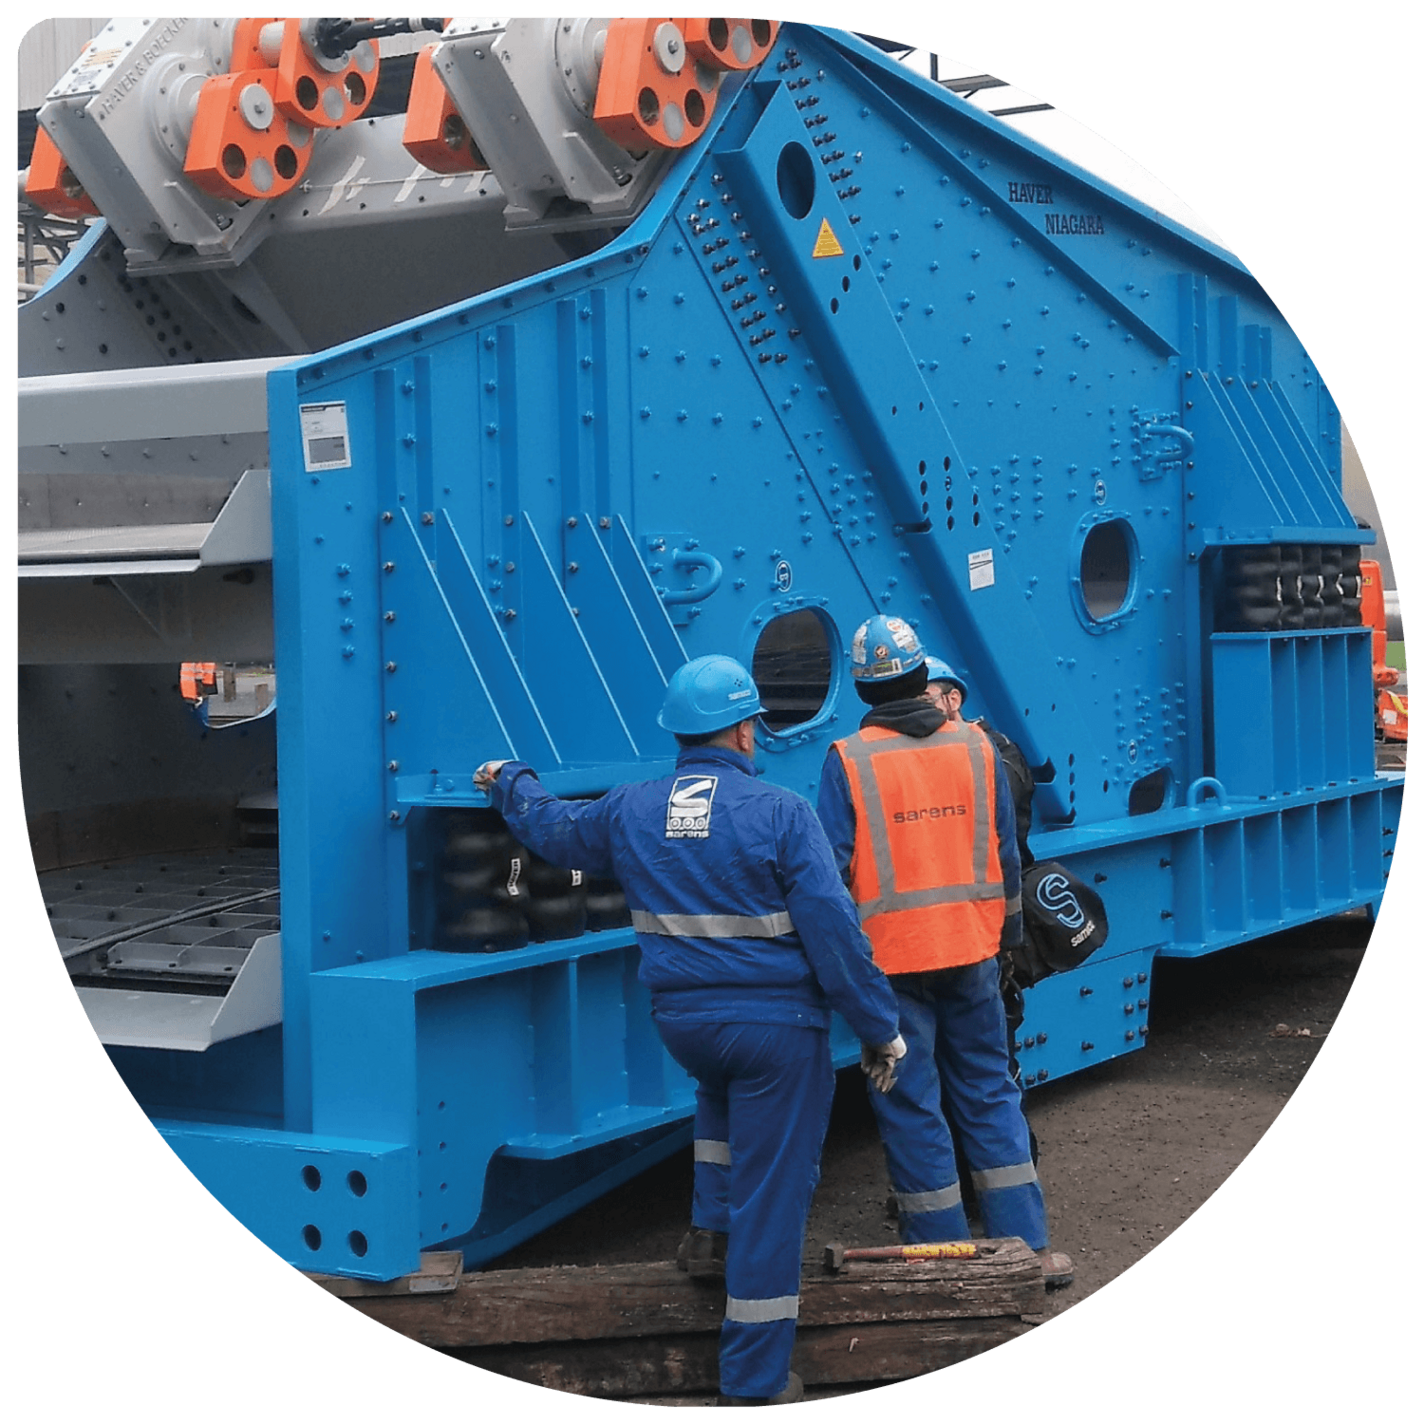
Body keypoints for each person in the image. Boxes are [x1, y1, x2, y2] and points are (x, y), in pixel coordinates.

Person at [475, 653, 905, 1406]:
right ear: (742, 732)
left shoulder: (631, 809)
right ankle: (754, 1378)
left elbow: (555, 832)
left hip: (684, 1024)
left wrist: (510, 780)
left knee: (719, 1107)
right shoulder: (780, 813)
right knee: (774, 1195)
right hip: (775, 1030)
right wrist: (880, 1027)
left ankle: (710, 1236)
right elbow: (835, 935)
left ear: (678, 732)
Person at [816, 615, 1073, 1288]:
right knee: (990, 1093)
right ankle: (1027, 1252)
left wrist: (844, 974)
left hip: (891, 967)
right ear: (922, 676)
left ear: (862, 689)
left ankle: (941, 1263)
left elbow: (829, 879)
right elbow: (1006, 858)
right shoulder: (979, 748)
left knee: (912, 1107)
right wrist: (1006, 944)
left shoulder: (848, 761)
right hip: (973, 955)